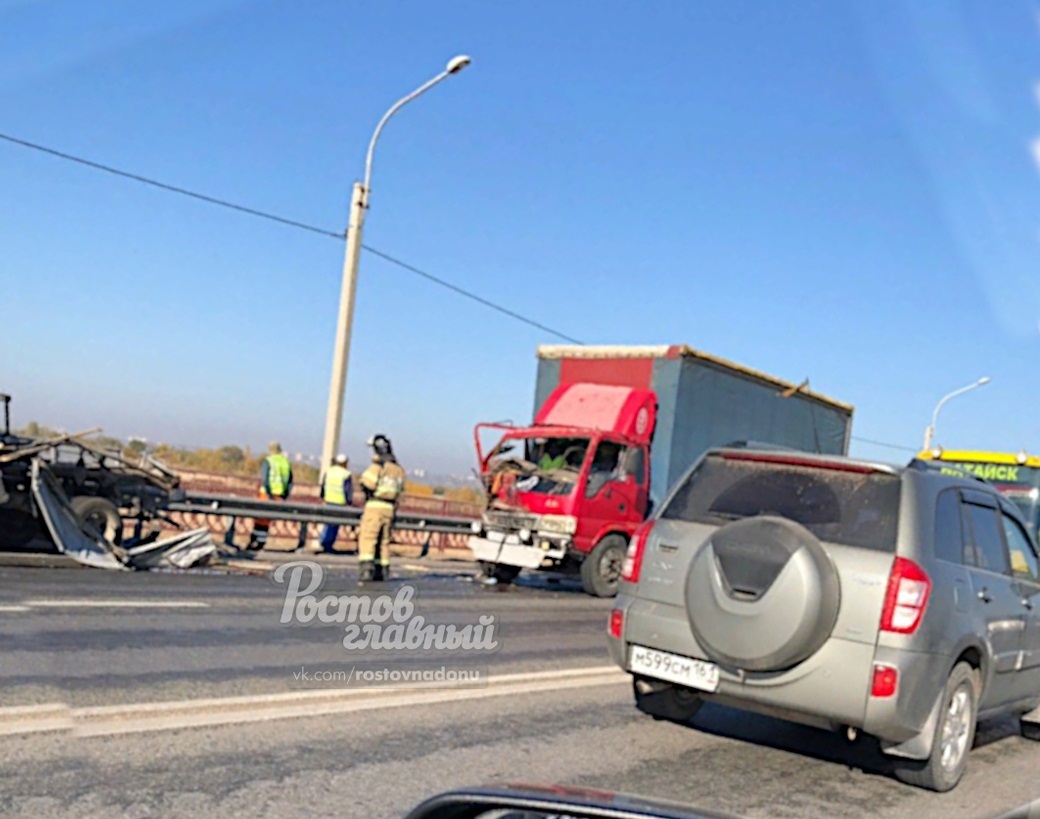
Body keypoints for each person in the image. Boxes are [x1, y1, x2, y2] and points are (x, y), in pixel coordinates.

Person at [357, 434, 405, 581]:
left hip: (375, 507)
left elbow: (367, 484)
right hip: (389, 509)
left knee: (368, 538)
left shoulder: (378, 466)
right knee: (384, 541)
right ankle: (382, 570)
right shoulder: (398, 470)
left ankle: (367, 569)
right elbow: (400, 490)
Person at [248, 441, 293, 551]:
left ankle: (256, 542)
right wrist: (285, 495)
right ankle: (261, 541)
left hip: (266, 495)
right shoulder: (285, 462)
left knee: (260, 520)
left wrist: (268, 494)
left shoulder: (269, 461)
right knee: (267, 520)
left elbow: (265, 479)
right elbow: (290, 481)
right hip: (279, 495)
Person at [317, 454, 352, 553]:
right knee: (334, 525)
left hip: (329, 500)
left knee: (327, 523)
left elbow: (323, 486)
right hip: (340, 502)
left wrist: (322, 497)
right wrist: (349, 502)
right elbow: (348, 490)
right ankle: (327, 544)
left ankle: (324, 542)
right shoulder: (346, 474)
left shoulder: (329, 471)